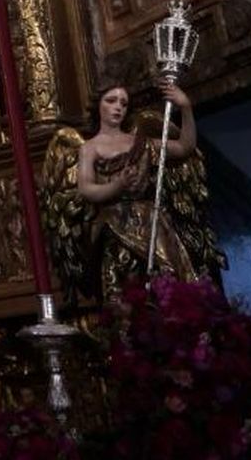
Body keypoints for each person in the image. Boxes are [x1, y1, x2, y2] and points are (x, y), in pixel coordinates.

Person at [41, 74, 222, 307]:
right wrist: (117, 185)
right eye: (111, 100)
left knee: (169, 281)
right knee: (126, 289)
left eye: (123, 103)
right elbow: (86, 189)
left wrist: (185, 106)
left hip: (152, 222)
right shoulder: (90, 148)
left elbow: (185, 147)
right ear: (98, 105)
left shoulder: (142, 142)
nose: (118, 107)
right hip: (115, 225)